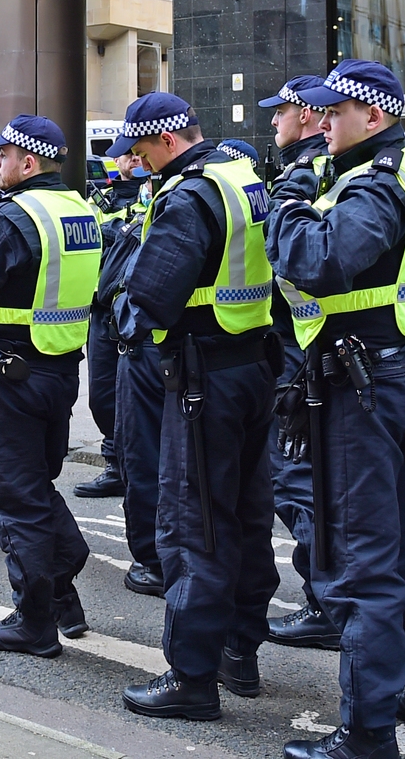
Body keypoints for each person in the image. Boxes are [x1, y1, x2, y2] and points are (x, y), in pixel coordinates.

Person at [267, 60, 405, 759]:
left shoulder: (376, 185)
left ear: (372, 117)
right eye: (317, 113)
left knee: (363, 565)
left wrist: (287, 204)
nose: (318, 124)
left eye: (332, 112)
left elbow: (321, 261)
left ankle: (367, 733)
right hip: (401, 375)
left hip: (364, 389)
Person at [116, 93, 279, 723]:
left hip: (201, 375)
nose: (138, 160)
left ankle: (192, 676)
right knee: (245, 512)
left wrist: (127, 323)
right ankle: (240, 651)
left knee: (196, 524)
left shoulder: (186, 195)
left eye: (140, 149)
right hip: (251, 364)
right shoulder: (242, 177)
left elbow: (151, 295)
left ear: (163, 142)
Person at [0, 115, 100, 659]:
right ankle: (62, 598)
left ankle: (34, 621)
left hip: (10, 372)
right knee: (34, 485)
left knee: (12, 493)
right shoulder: (80, 209)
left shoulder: (13, 217)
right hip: (58, 370)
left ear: (27, 163)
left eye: (2, 155)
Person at [256, 77, 344, 654]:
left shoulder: (306, 175)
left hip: (301, 346)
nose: (274, 122)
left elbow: (290, 255)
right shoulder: (322, 170)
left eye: (282, 111)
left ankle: (327, 602)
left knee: (295, 481)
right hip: (313, 344)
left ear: (311, 117)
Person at [98, 128, 165, 597]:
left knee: (148, 457)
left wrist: (125, 313)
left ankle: (153, 559)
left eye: (137, 154)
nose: (129, 162)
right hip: (146, 339)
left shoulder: (176, 196)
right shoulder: (150, 195)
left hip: (151, 343)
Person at [75, 152, 149, 501]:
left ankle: (133, 468)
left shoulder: (153, 190)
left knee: (137, 396)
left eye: (137, 152)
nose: (132, 159)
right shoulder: (99, 197)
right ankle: (115, 464)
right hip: (101, 310)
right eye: (125, 154)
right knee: (102, 397)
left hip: (135, 311)